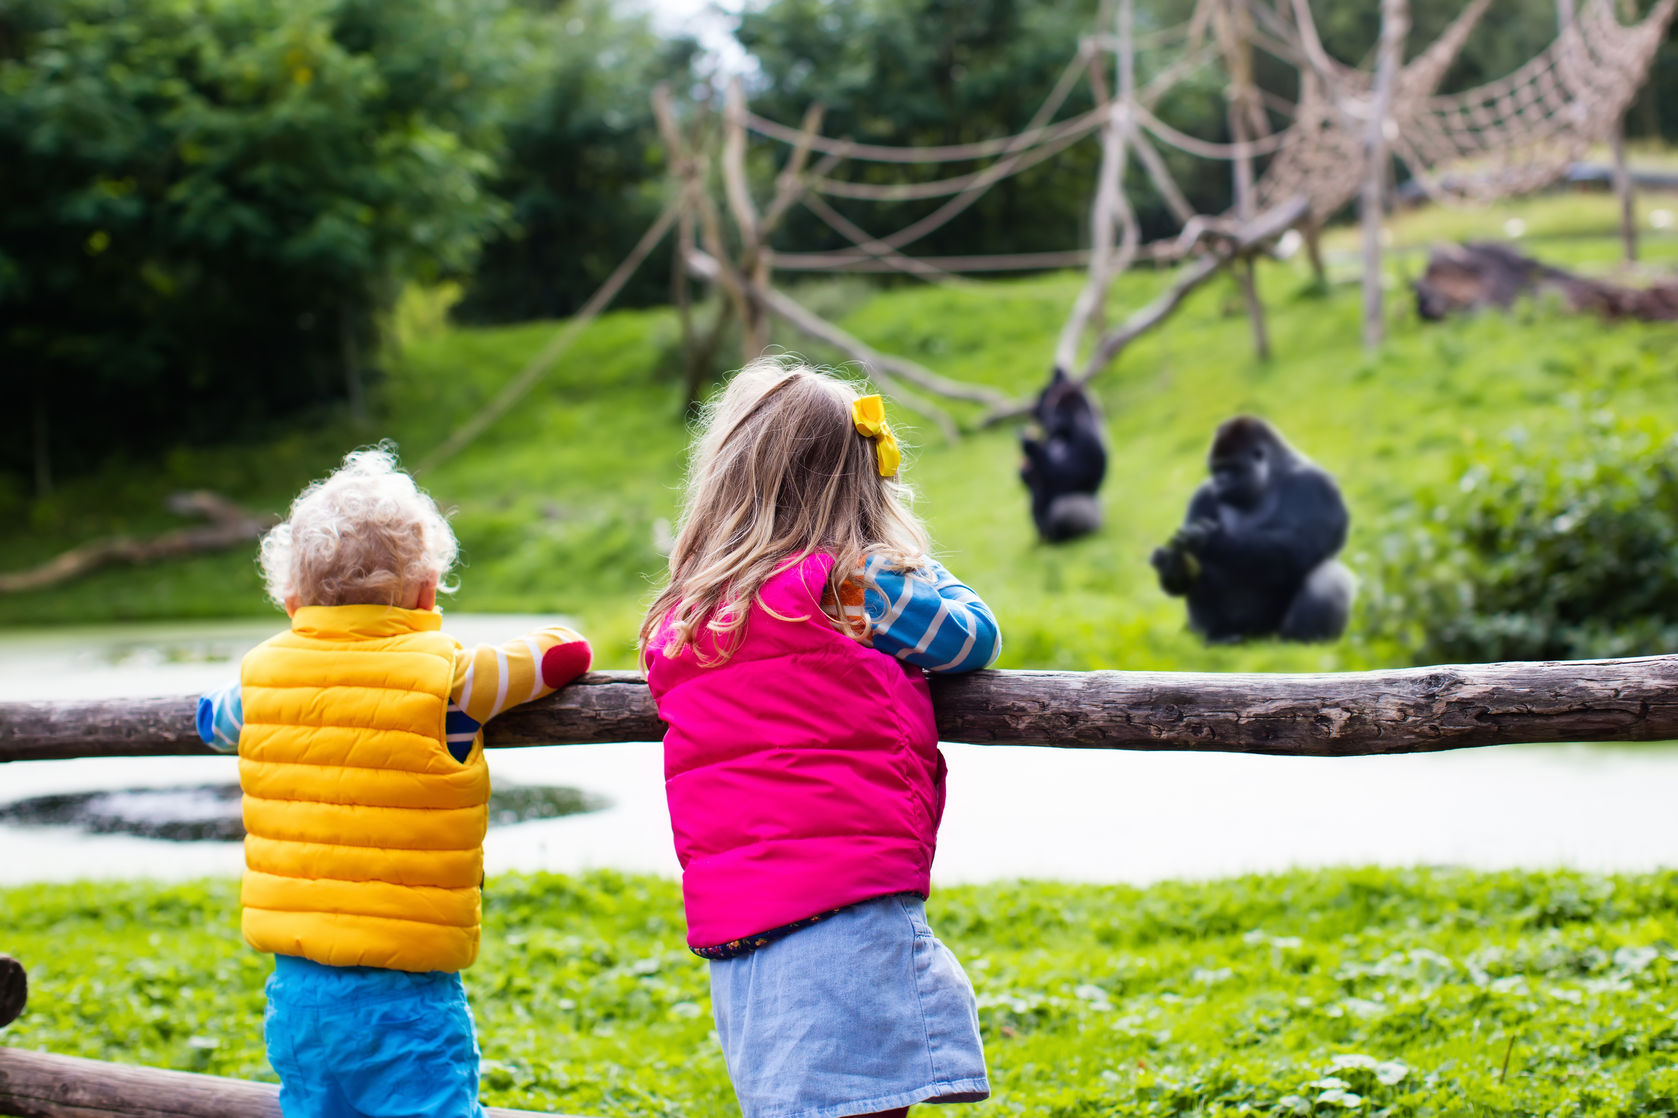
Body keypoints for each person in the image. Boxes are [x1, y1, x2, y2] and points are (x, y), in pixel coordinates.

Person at [640, 358, 1002, 1118]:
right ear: (858, 487)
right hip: (846, 912)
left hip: (739, 934)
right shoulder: (853, 587)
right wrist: (919, 562)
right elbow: (973, 638)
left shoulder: (687, 618)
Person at [196, 446, 591, 1118]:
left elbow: (210, 720)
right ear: (427, 591)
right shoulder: (452, 678)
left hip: (298, 995)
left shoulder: (260, 678)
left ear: (292, 596)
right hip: (405, 995)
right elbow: (565, 653)